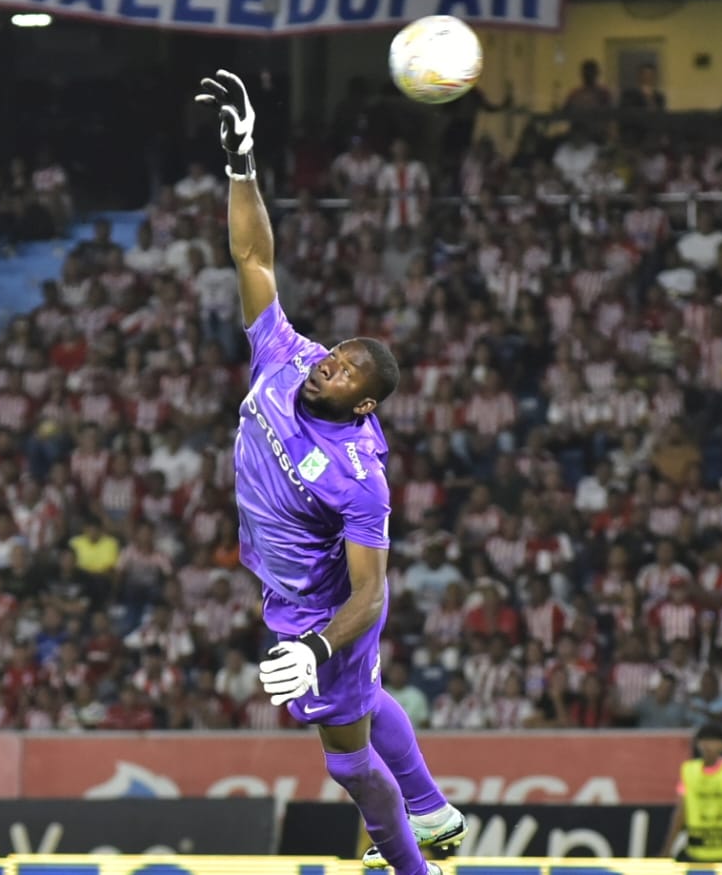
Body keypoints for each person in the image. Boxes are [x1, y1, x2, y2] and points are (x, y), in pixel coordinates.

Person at [194, 70, 462, 875]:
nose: (328, 367)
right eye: (335, 355)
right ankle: (433, 808)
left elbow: (371, 593)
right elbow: (252, 254)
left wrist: (314, 646)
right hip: (285, 592)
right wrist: (242, 166)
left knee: (345, 758)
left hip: (324, 612)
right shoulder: (285, 356)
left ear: (364, 406)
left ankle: (413, 866)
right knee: (369, 702)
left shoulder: (358, 475)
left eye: (346, 373)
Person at [658, 723, 722, 862]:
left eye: (713, 741)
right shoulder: (688, 770)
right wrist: (667, 849)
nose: (707, 745)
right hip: (695, 850)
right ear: (697, 744)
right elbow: (681, 811)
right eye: (704, 740)